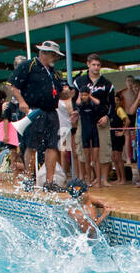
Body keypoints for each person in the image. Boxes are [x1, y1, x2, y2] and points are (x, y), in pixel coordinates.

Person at [8, 40, 66, 190]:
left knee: (53, 146)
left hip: (52, 112)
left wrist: (69, 92)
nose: (55, 59)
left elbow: (62, 92)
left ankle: (49, 181)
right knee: (31, 145)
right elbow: (13, 86)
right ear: (43, 53)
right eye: (53, 55)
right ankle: (29, 178)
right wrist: (22, 102)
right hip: (34, 110)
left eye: (56, 56)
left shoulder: (55, 73)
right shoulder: (28, 66)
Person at [74, 53, 115, 185]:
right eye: (93, 65)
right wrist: (75, 112)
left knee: (103, 150)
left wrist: (107, 117)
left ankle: (103, 179)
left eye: (98, 65)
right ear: (88, 64)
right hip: (84, 120)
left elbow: (112, 104)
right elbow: (74, 101)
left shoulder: (107, 84)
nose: (96, 68)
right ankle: (85, 177)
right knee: (82, 150)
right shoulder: (79, 82)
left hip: (100, 121)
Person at [75, 85, 101, 186]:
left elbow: (98, 102)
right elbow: (77, 102)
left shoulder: (92, 104)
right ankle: (89, 180)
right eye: (83, 95)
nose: (84, 97)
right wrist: (79, 94)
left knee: (95, 159)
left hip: (94, 132)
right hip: (85, 133)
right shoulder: (81, 105)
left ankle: (98, 180)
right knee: (87, 159)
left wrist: (90, 96)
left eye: (86, 95)